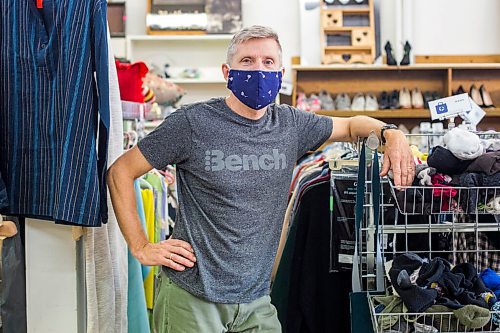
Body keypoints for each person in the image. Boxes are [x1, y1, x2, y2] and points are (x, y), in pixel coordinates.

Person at [107, 25, 415, 333]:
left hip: (256, 301)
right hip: (193, 297)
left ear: (280, 73)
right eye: (247, 61)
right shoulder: (191, 123)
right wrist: (141, 245)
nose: (259, 69)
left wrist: (392, 133)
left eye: (268, 62)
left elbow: (351, 126)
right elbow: (120, 172)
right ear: (227, 71)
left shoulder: (291, 124)